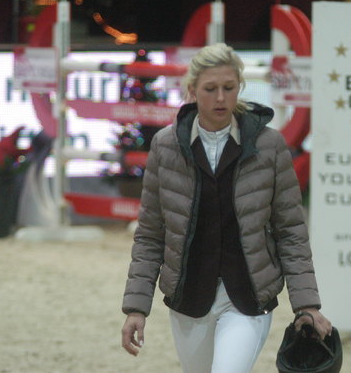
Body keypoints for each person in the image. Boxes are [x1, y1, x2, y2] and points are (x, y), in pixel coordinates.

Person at [121, 43, 332, 372]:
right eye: (210, 89)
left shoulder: (270, 146)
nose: (220, 98)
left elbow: (290, 230)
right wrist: (137, 307)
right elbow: (150, 234)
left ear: (239, 88)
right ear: (192, 90)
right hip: (188, 299)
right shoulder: (165, 146)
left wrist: (307, 304)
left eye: (229, 88)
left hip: (248, 299)